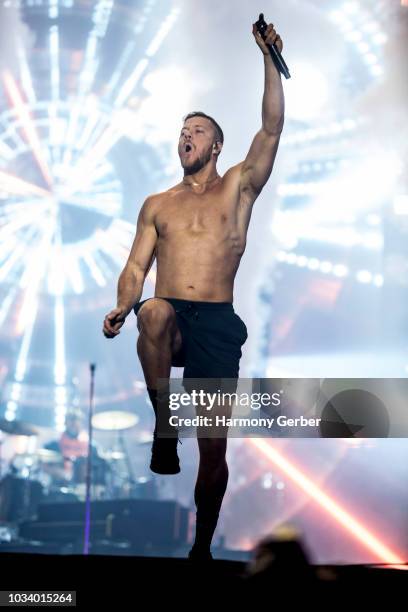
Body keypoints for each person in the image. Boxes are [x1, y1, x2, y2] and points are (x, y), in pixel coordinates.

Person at [103, 22, 285, 560]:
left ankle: (201, 545)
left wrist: (270, 58)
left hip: (217, 322)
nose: (187, 137)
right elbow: (136, 265)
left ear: (217, 144)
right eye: (183, 131)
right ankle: (164, 422)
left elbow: (271, 130)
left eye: (198, 130)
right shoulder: (158, 203)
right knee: (152, 311)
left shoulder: (238, 186)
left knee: (213, 450)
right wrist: (121, 304)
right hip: (173, 319)